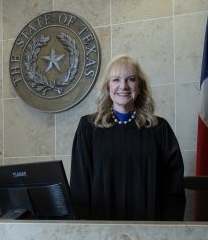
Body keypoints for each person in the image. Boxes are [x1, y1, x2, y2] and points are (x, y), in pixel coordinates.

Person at [70, 54, 186, 221]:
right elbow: (80, 186)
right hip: (102, 231)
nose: (123, 86)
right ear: (108, 87)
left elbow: (173, 188)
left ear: (139, 87)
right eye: (116, 80)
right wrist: (87, 232)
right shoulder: (88, 128)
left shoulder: (159, 129)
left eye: (131, 79)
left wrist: (166, 232)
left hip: (151, 229)